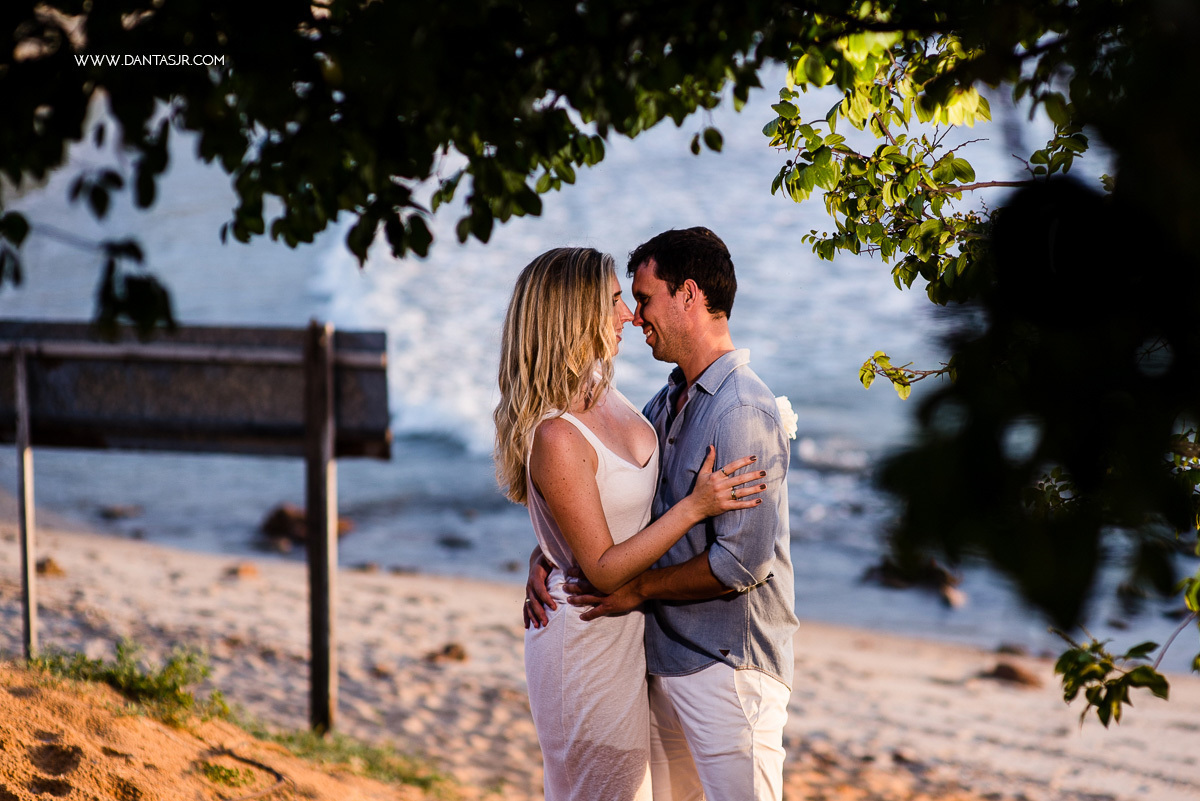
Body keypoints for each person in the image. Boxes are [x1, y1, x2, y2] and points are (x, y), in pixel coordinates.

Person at [526, 228, 800, 801]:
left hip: (726, 668)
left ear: (689, 296)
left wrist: (639, 589)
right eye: (623, 300)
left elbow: (740, 564)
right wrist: (549, 550)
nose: (633, 315)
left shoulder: (741, 410)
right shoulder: (662, 403)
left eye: (644, 298)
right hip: (658, 663)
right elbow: (612, 502)